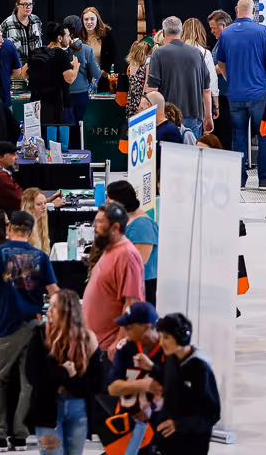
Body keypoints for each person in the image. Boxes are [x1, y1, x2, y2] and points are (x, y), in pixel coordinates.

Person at [0, 210, 60, 453]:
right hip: (34, 324)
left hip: (7, 326)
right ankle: (19, 435)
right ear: (30, 231)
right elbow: (55, 292)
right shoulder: (41, 256)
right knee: (28, 382)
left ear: (10, 228)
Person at [24, 289, 100, 455]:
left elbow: (95, 383)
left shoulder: (88, 339)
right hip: (47, 407)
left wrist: (70, 377)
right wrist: (66, 374)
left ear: (67, 311)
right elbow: (34, 376)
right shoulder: (41, 335)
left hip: (77, 407)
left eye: (53, 307)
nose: (48, 311)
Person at [214, 0, 266, 188]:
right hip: (260, 93)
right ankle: (265, 178)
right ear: (254, 11)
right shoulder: (263, 31)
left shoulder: (226, 34)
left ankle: (239, 180)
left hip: (235, 95)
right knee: (265, 136)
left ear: (236, 10)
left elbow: (220, 64)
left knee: (238, 137)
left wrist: (229, 80)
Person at [152, 313, 221, 455]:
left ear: (181, 337)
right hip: (169, 441)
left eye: (166, 338)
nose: (161, 343)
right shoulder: (172, 358)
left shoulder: (200, 368)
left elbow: (211, 414)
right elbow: (172, 384)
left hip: (191, 444)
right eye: (160, 337)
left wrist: (179, 425)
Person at [82, 201, 145, 352]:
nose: (94, 226)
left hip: (110, 347)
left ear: (115, 227)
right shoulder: (111, 249)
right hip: (97, 345)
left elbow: (132, 303)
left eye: (99, 222)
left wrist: (119, 341)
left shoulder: (127, 255)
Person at [105, 302, 164, 455]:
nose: (125, 330)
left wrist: (153, 405)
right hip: (128, 424)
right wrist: (142, 385)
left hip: (160, 427)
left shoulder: (169, 349)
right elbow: (112, 387)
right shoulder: (126, 348)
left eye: (130, 326)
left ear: (146, 327)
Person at [147, 16, 213, 139]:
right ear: (181, 31)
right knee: (192, 155)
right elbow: (207, 90)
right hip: (195, 115)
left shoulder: (158, 54)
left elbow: (153, 91)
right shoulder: (197, 53)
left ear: (164, 32)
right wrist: (208, 117)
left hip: (168, 117)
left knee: (169, 156)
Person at [109, 180, 159, 304]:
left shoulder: (142, 224)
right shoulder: (128, 220)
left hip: (142, 286)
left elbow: (140, 260)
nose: (106, 202)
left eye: (109, 198)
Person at [23, 22, 78, 129]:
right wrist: (76, 67)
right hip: (58, 106)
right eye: (67, 36)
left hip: (38, 104)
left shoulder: (36, 52)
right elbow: (70, 78)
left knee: (41, 136)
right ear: (59, 38)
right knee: (58, 138)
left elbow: (23, 73)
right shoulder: (62, 55)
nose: (70, 39)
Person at [64, 15, 102, 129]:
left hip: (63, 93)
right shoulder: (86, 49)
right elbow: (97, 74)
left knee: (64, 125)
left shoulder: (58, 49)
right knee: (78, 127)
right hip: (80, 94)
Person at [181, 18, 220, 126]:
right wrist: (216, 105)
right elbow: (212, 80)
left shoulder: (175, 51)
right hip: (199, 102)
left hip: (178, 101)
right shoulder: (205, 53)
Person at [207, 10, 233, 149]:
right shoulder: (221, 42)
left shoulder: (229, 41)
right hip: (221, 94)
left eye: (214, 28)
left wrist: (209, 69)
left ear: (223, 25)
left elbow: (224, 65)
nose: (212, 31)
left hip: (227, 95)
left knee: (226, 134)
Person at [1, 0, 44, 65]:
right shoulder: (7, 24)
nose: (28, 7)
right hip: (16, 72)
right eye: (25, 4)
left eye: (30, 4)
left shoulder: (36, 21)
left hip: (36, 69)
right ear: (17, 5)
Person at [20, 186, 65, 253]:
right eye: (39, 204)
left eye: (45, 203)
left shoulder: (40, 223)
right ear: (29, 207)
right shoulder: (23, 230)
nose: (44, 207)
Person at [80, 6, 117, 79]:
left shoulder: (106, 34)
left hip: (101, 77)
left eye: (92, 19)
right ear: (82, 21)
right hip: (84, 78)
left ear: (97, 20)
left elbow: (113, 54)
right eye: (86, 19)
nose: (89, 22)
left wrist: (105, 70)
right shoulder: (79, 35)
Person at [123, 39, 153, 119]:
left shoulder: (130, 67)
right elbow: (147, 83)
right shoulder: (145, 67)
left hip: (131, 102)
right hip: (142, 102)